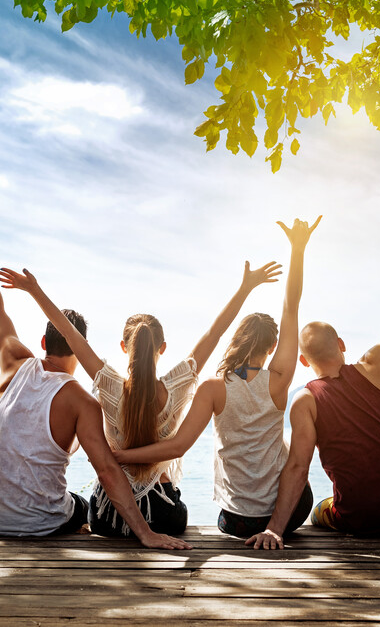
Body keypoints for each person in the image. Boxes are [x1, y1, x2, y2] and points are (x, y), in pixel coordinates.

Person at [0, 257, 282, 537]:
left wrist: (34, 290)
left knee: (79, 506)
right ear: (163, 347)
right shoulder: (177, 385)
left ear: (124, 347)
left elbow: (71, 335)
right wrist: (246, 288)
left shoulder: (108, 384)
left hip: (107, 517)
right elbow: (214, 333)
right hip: (164, 514)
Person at [0, 226, 190, 550]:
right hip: (42, 522)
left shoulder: (13, 361)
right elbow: (108, 471)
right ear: (80, 349)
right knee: (82, 507)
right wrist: (146, 535)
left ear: (42, 343)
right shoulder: (82, 402)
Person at [113, 218, 321, 538]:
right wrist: (298, 249)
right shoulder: (279, 380)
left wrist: (122, 456)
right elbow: (291, 308)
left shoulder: (212, 389)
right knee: (295, 462)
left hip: (237, 521)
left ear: (236, 340)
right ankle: (275, 527)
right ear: (272, 347)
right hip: (287, 514)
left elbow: (178, 446)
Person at [246, 234, 380, 549]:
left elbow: (298, 467)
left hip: (360, 518)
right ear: (341, 345)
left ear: (302, 360)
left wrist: (274, 529)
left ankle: (374, 511)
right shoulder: (374, 365)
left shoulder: (305, 401)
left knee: (318, 513)